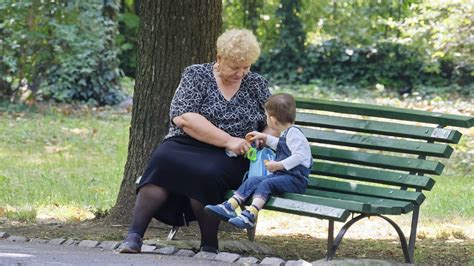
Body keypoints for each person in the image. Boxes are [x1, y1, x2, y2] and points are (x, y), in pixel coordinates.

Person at [119, 29, 275, 254]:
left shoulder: (256, 84)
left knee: (208, 172)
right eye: (235, 67)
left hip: (233, 155)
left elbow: (272, 121)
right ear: (219, 58)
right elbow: (184, 117)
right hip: (188, 143)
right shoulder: (196, 75)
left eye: (246, 67)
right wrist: (227, 139)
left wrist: (264, 136)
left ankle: (209, 244)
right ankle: (134, 236)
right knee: (163, 159)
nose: (241, 73)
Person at [205, 93, 312, 229]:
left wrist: (279, 165)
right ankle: (229, 206)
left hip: (296, 180)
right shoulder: (288, 132)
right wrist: (264, 137)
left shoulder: (295, 134)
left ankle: (250, 215)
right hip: (284, 177)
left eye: (266, 116)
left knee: (267, 183)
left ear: (272, 120)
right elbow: (281, 145)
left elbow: (300, 156)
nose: (266, 118)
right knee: (253, 180)